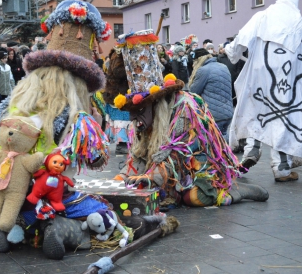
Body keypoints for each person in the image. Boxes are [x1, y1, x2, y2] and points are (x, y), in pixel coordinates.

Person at [0, 0, 112, 257]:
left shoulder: (9, 104)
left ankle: (6, 228)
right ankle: (57, 227)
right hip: (49, 191)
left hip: (8, 190)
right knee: (102, 212)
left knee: (14, 209)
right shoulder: (75, 114)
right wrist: (97, 124)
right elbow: (94, 158)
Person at [110, 29, 269, 208]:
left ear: (155, 103)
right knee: (135, 186)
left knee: (194, 198)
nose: (134, 116)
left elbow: (178, 153)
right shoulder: (144, 120)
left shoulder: (184, 108)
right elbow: (139, 154)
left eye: (139, 108)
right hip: (170, 171)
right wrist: (121, 178)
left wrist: (150, 177)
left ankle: (237, 191)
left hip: (199, 163)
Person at [224, 0, 302, 182]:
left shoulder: (263, 16)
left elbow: (240, 41)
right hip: (287, 81)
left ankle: (251, 150)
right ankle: (281, 168)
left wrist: (232, 51)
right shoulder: (299, 25)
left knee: (255, 109)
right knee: (283, 118)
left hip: (259, 73)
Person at [189, 48, 233, 142]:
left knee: (216, 144)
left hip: (213, 114)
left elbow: (194, 91)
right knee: (223, 138)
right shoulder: (223, 66)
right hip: (228, 111)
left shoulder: (203, 70)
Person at [217, 41, 245, 107]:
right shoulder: (220, 58)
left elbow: (239, 67)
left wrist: (237, 75)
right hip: (225, 80)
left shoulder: (236, 57)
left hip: (235, 79)